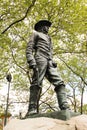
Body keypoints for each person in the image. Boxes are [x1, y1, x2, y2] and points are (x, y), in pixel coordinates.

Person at [25, 20, 69, 116]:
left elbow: (50, 51)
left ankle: (64, 106)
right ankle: (32, 108)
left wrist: (52, 60)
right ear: (42, 27)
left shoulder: (49, 38)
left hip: (49, 62)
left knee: (60, 83)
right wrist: (31, 61)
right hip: (39, 59)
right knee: (37, 83)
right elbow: (29, 49)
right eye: (46, 26)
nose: (48, 28)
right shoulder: (35, 34)